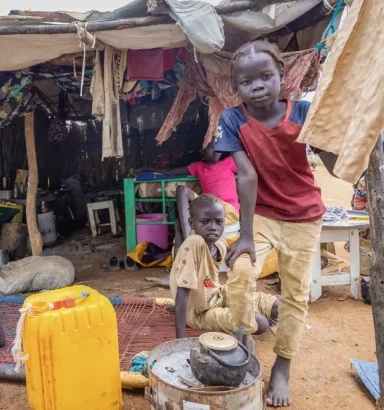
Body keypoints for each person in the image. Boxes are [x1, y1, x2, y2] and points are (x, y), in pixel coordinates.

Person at [214, 40, 338, 407]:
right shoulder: (233, 119)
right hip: (263, 216)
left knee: (295, 295)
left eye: (266, 75)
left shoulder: (303, 111)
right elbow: (246, 175)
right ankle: (244, 336)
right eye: (247, 80)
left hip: (304, 216)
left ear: (282, 76)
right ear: (236, 87)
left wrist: (332, 130)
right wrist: (247, 235)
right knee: (239, 272)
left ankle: (282, 364)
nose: (257, 85)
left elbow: (332, 164)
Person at [171, 194, 279, 339]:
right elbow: (182, 293)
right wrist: (180, 339)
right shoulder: (194, 244)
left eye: (219, 222)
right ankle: (249, 319)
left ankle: (248, 315)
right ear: (192, 223)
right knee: (261, 323)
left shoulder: (220, 243)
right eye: (205, 222)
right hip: (200, 313)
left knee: (278, 306)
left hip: (218, 295)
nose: (213, 227)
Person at [138, 137, 240, 228]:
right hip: (210, 208)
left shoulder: (229, 162)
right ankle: (188, 239)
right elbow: (170, 171)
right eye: (211, 148)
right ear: (203, 152)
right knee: (181, 191)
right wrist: (146, 168)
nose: (216, 151)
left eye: (218, 147)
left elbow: (249, 171)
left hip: (229, 209)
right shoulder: (199, 167)